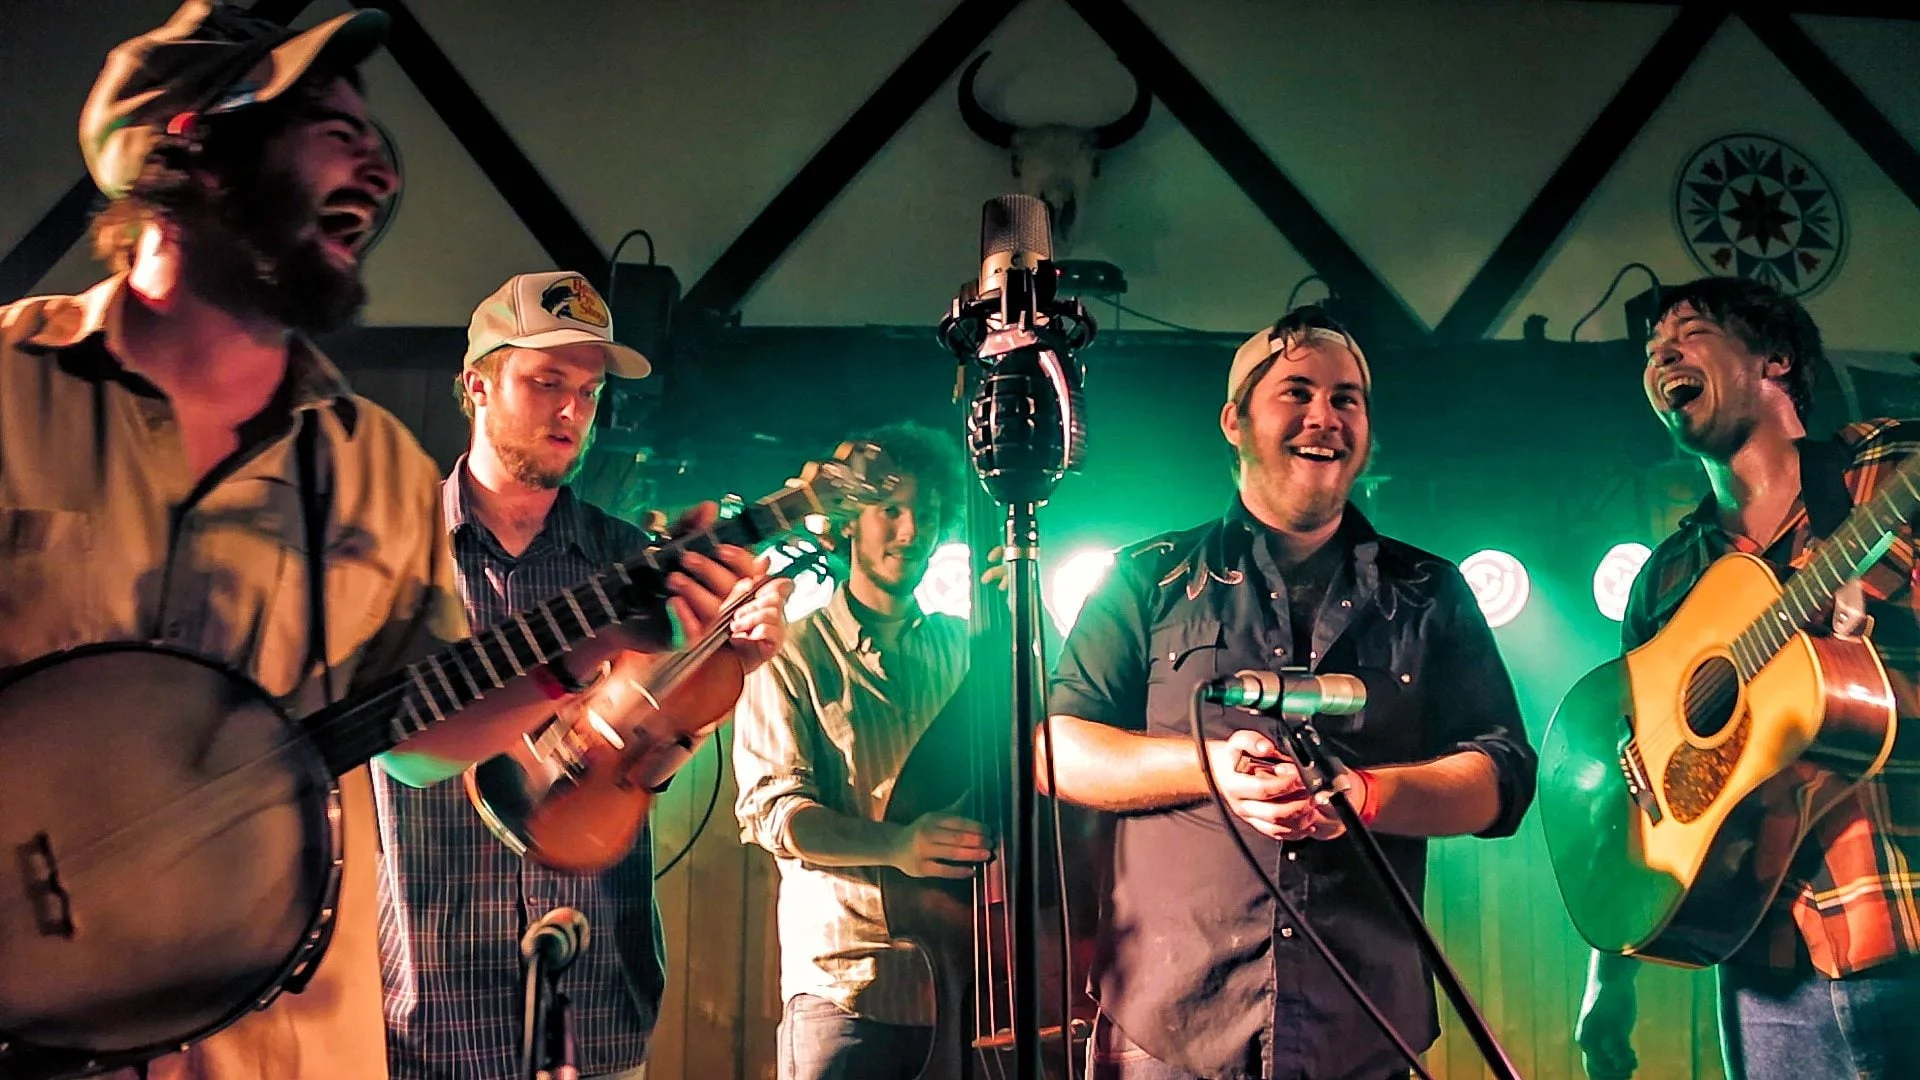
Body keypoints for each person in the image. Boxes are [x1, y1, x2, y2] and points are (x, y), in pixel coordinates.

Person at [0, 5, 759, 1077]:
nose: (384, 170)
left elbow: (410, 741)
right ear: (192, 144)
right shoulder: (10, 391)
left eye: (379, 142)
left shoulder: (369, 469)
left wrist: (607, 635)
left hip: (289, 1050)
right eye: (333, 128)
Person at [1040, 308, 1538, 1080]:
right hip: (1172, 1029)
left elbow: (1502, 777)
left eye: (1347, 399)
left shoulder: (1431, 590)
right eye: (1297, 392)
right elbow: (1056, 749)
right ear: (1234, 421)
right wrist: (1215, 768)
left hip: (1365, 1031)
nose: (1324, 416)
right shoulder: (1145, 578)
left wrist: (1365, 796)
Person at [374, 271, 790, 1080]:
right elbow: (400, 747)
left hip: (597, 991)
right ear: (478, 384)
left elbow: (648, 766)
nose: (572, 409)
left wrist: (728, 663)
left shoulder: (631, 559)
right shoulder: (397, 549)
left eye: (590, 392)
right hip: (428, 1005)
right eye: (547, 382)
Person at [1575, 276, 1920, 1080]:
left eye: (1690, 333)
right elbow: (1632, 788)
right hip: (1765, 972)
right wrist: (1608, 980)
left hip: (1906, 915)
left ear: (1775, 359)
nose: (1664, 355)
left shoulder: (1886, 470)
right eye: (1653, 350)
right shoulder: (1667, 578)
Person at [732, 421, 991, 1080]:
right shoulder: (790, 652)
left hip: (966, 988)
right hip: (845, 990)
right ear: (851, 521)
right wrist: (897, 845)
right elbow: (775, 815)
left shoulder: (969, 648)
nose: (911, 531)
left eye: (927, 514)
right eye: (892, 511)